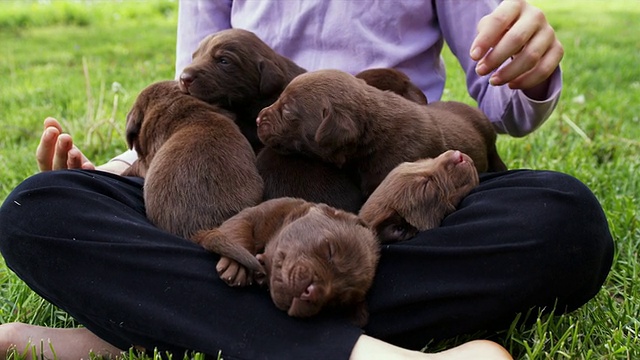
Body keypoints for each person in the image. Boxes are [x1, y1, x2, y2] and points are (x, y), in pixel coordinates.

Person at [0, 0, 613, 359]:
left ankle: (144, 321)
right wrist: (119, 172)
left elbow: (500, 96)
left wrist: (529, 66)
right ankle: (356, 345)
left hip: (389, 205)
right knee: (38, 208)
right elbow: (195, 97)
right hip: (246, 180)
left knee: (564, 218)